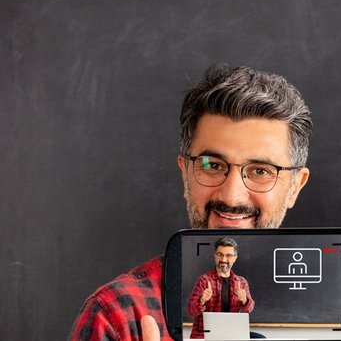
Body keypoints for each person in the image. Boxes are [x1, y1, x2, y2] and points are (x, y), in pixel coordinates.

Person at [69, 64, 313, 340]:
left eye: (260, 171)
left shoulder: (324, 313)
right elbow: (194, 307)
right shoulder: (117, 315)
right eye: (212, 165)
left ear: (295, 187)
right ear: (185, 173)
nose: (231, 196)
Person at [187, 237, 255, 339]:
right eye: (220, 254)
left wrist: (244, 300)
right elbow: (190, 311)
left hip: (232, 335)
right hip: (205, 337)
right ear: (215, 256)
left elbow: (249, 309)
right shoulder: (204, 280)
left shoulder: (241, 282)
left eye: (228, 255)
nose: (223, 260)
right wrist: (202, 300)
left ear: (235, 258)